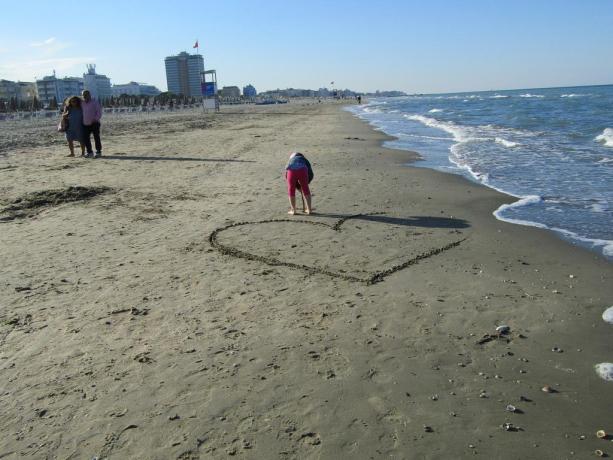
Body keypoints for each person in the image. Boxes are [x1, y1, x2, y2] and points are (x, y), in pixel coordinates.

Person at [81, 90, 103, 158]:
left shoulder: (95, 102)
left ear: (89, 95)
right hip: (85, 123)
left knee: (96, 137)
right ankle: (89, 152)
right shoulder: (82, 103)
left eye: (86, 94)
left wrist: (95, 119)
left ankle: (98, 152)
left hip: (95, 123)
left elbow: (99, 112)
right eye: (83, 95)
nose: (85, 96)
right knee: (86, 138)